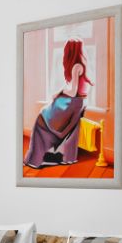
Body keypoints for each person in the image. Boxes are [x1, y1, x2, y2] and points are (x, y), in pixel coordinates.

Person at [24, 38, 92, 169]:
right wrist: (59, 92)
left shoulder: (76, 66)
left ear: (69, 51)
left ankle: (35, 159)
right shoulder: (83, 64)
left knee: (42, 118)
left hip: (72, 103)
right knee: (47, 114)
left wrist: (59, 93)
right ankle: (59, 156)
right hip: (79, 103)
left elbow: (72, 92)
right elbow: (75, 88)